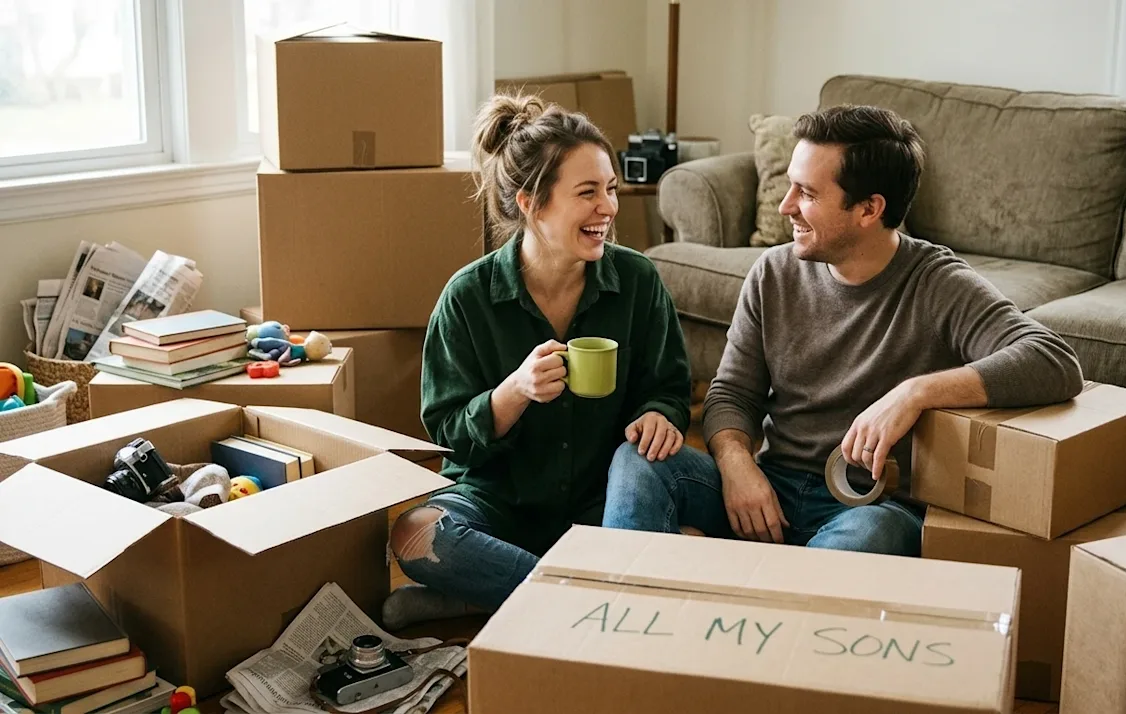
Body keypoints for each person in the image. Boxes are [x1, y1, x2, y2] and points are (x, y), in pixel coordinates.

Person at [603, 104, 1083, 554]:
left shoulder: (939, 283)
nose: (786, 206)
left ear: (869, 209)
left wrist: (915, 393)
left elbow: (1052, 359)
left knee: (880, 530)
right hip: (768, 488)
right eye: (792, 186)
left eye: (808, 194)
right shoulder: (773, 273)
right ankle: (615, 615)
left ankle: (756, 596)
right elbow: (731, 394)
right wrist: (737, 466)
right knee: (639, 460)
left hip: (866, 504)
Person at [383, 94, 692, 629]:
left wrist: (661, 415)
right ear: (531, 203)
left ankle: (503, 593)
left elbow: (668, 386)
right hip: (499, 504)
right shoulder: (467, 298)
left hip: (603, 504)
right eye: (587, 193)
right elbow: (447, 433)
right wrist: (515, 392)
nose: (608, 208)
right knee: (414, 533)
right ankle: (586, 600)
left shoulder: (638, 281)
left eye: (611, 190)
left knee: (687, 534)